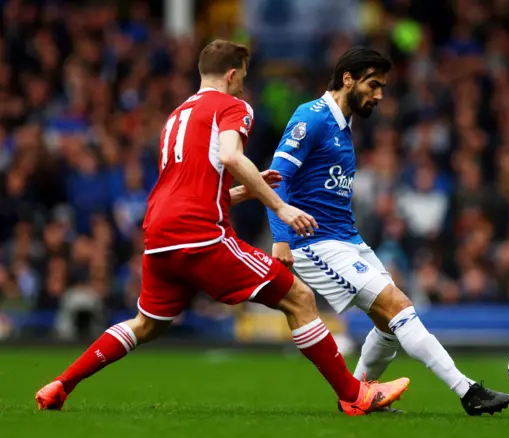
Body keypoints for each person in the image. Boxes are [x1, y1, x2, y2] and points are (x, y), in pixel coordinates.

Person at [36, 40, 409, 416]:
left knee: (145, 324)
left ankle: (61, 384)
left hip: (159, 233)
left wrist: (243, 192)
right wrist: (279, 205)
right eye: (243, 78)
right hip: (200, 233)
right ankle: (354, 395)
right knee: (298, 297)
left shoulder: (177, 116)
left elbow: (186, 188)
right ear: (231, 75)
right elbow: (231, 155)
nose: (244, 86)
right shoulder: (233, 107)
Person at [268, 48, 509, 416]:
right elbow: (275, 177)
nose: (379, 95)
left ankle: (356, 398)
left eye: (382, 87)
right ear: (347, 79)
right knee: (398, 307)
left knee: (388, 325)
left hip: (347, 239)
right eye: (373, 85)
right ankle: (468, 391)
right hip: (314, 242)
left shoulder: (342, 125)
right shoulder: (312, 117)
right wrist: (281, 238)